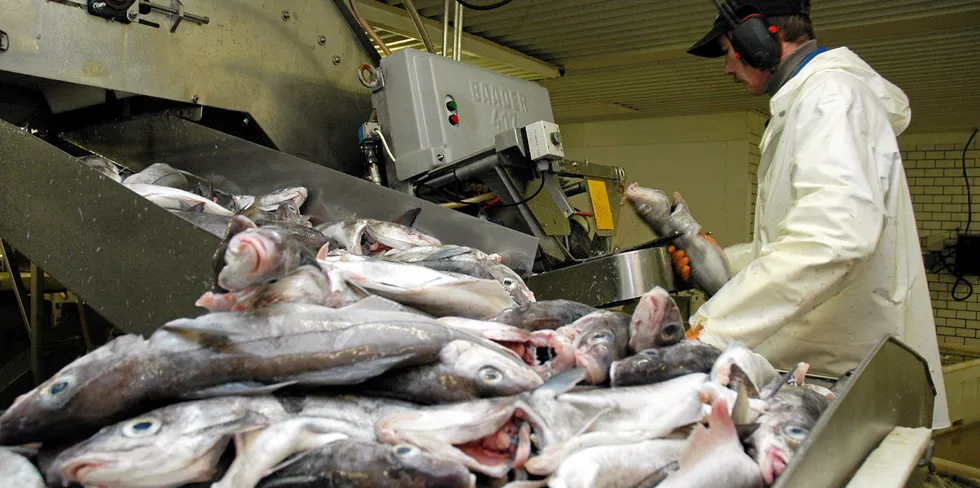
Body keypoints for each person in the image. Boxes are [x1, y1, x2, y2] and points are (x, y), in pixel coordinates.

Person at [673, 0, 950, 429]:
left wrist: (710, 328)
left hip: (851, 383)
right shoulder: (809, 103)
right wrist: (725, 260)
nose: (728, 67)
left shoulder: (831, 98)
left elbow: (833, 239)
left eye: (730, 50)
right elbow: (798, 238)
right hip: (823, 371)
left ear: (761, 39)